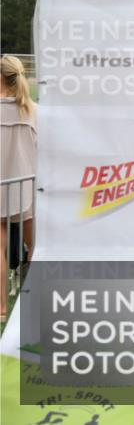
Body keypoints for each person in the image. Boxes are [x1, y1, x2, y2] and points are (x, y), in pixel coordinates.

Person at [1, 55, 37, 322]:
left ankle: (1, 309)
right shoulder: (35, 111)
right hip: (28, 186)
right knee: (37, 246)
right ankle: (36, 305)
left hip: (1, 185)